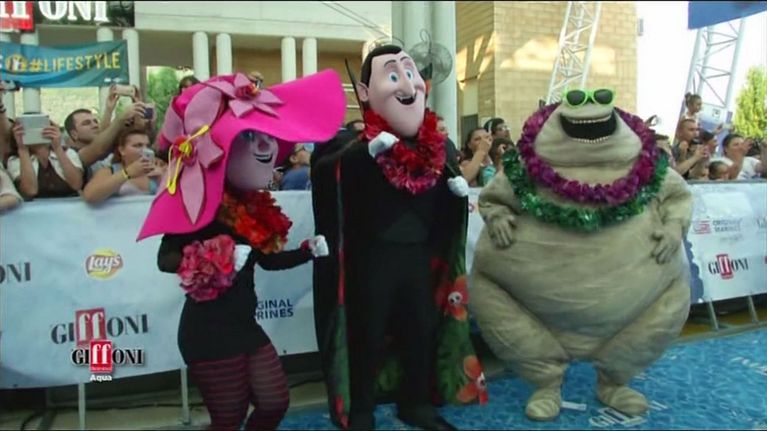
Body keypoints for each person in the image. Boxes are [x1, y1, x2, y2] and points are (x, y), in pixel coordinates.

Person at [137, 70, 346, 431]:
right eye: (249, 136)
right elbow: (165, 259)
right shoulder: (199, 202)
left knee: (275, 402)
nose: (265, 147)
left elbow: (266, 261)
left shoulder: (250, 206)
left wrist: (308, 251)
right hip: (208, 333)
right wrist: (216, 257)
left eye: (266, 137)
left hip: (245, 326)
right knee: (228, 418)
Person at [311, 44, 486, 431]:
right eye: (393, 75)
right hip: (371, 260)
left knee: (420, 329)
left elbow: (441, 208)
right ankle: (361, 410)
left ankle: (415, 403)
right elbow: (324, 174)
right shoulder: (351, 146)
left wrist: (455, 194)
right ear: (364, 92)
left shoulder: (437, 148)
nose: (407, 84)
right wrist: (363, 155)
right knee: (367, 334)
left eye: (410, 73)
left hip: (418, 258)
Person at [82, 130, 166, 203]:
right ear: (122, 150)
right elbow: (90, 196)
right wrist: (126, 173)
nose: (145, 150)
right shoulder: (109, 171)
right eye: (138, 145)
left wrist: (163, 179)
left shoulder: (159, 168)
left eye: (147, 146)